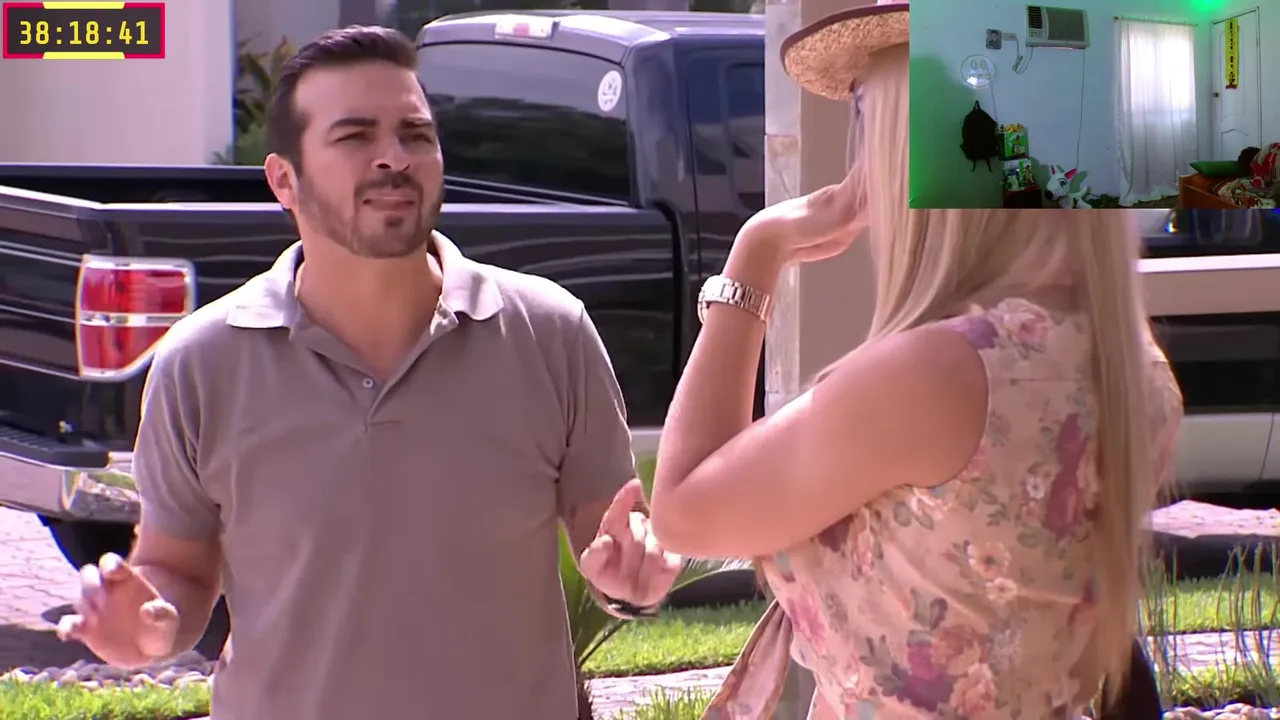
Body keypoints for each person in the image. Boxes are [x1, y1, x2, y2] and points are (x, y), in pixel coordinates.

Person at [56, 25, 682, 720]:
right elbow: (177, 568)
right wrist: (150, 628)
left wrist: (634, 582)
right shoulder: (202, 363)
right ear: (284, 181)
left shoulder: (548, 333)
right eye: (355, 136)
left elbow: (612, 538)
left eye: (416, 135)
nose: (395, 158)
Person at [647, 2, 1183, 718]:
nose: (861, 151)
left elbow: (681, 508)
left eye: (866, 111)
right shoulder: (1131, 366)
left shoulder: (940, 376)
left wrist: (757, 251)